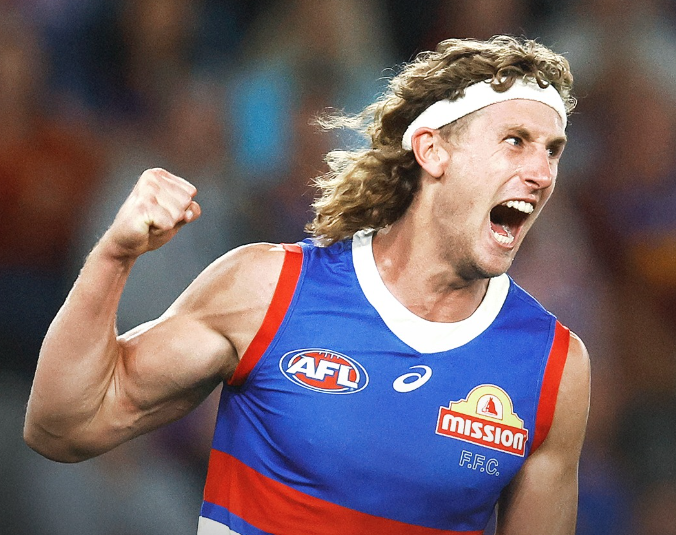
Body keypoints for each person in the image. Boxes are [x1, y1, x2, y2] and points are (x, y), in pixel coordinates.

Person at [24, 35, 591, 535]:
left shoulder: (554, 368)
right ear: (431, 150)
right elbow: (63, 425)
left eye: (553, 151)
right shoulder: (268, 291)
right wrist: (115, 256)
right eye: (515, 140)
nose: (542, 174)